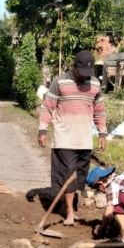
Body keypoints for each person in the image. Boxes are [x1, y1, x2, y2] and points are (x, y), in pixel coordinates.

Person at [38, 50, 107, 226]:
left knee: (79, 178)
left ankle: (65, 206)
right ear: (74, 66)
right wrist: (42, 129)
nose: (84, 77)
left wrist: (102, 132)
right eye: (81, 72)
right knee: (68, 174)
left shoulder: (95, 84)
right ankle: (70, 212)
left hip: (84, 140)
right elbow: (47, 107)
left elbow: (99, 110)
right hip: (64, 138)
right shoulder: (60, 81)